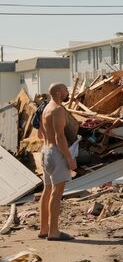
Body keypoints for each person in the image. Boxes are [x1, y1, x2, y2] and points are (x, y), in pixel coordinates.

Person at [37, 83, 76, 241]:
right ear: (59, 93)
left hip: (45, 152)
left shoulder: (45, 108)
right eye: (66, 90)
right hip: (56, 153)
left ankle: (44, 229)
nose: (68, 92)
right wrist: (69, 158)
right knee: (56, 192)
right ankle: (54, 232)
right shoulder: (58, 110)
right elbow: (60, 137)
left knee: (47, 191)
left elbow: (40, 134)